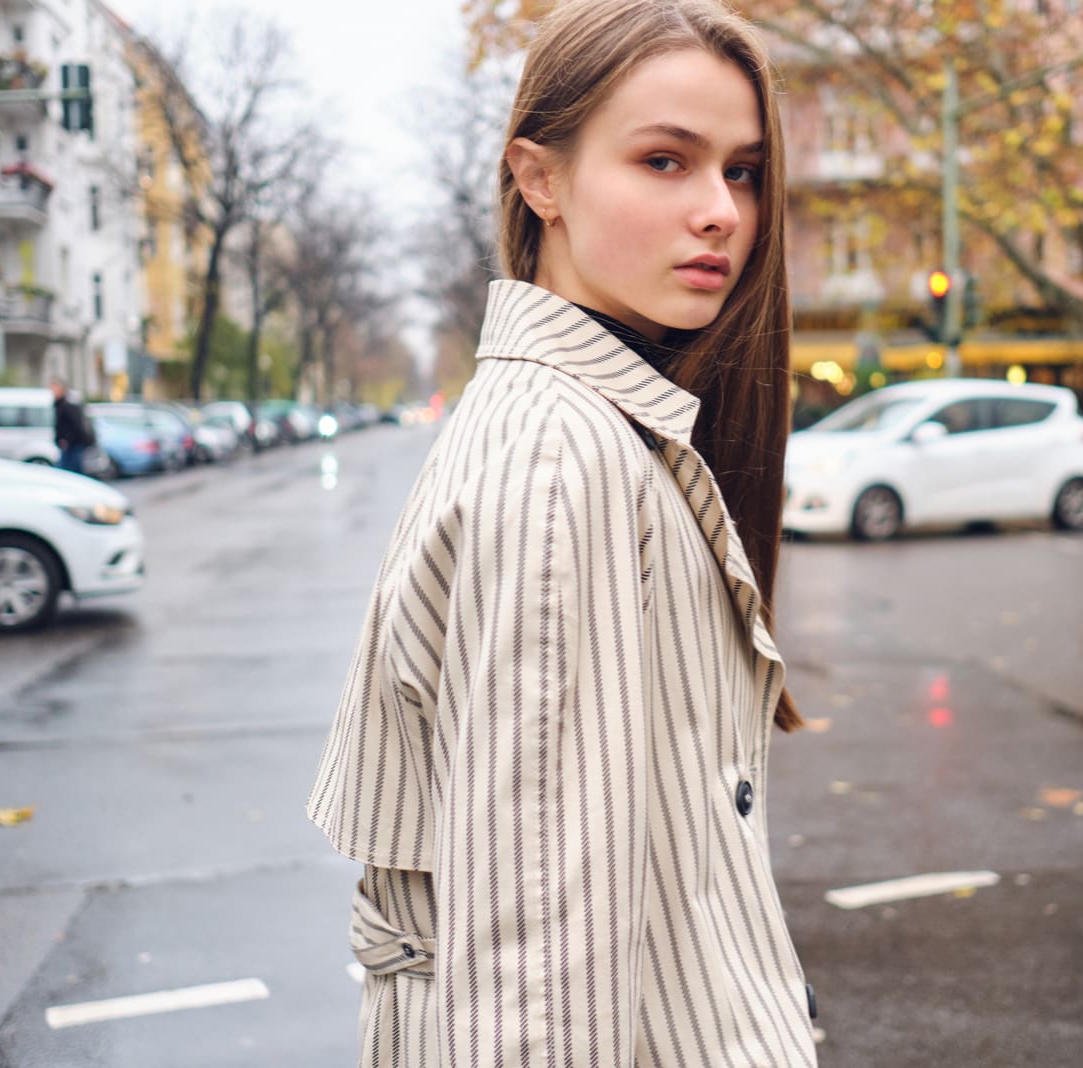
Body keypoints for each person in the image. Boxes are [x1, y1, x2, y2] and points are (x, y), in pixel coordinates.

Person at [306, 1, 817, 1064]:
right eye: (666, 161)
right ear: (540, 180)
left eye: (741, 172)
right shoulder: (561, 460)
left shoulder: (594, 429)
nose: (720, 210)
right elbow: (535, 958)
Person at [50, 378, 91, 474]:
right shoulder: (59, 404)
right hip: (69, 444)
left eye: (54, 389)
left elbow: (75, 425)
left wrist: (66, 439)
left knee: (70, 471)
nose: (52, 392)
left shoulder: (67, 405)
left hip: (72, 445)